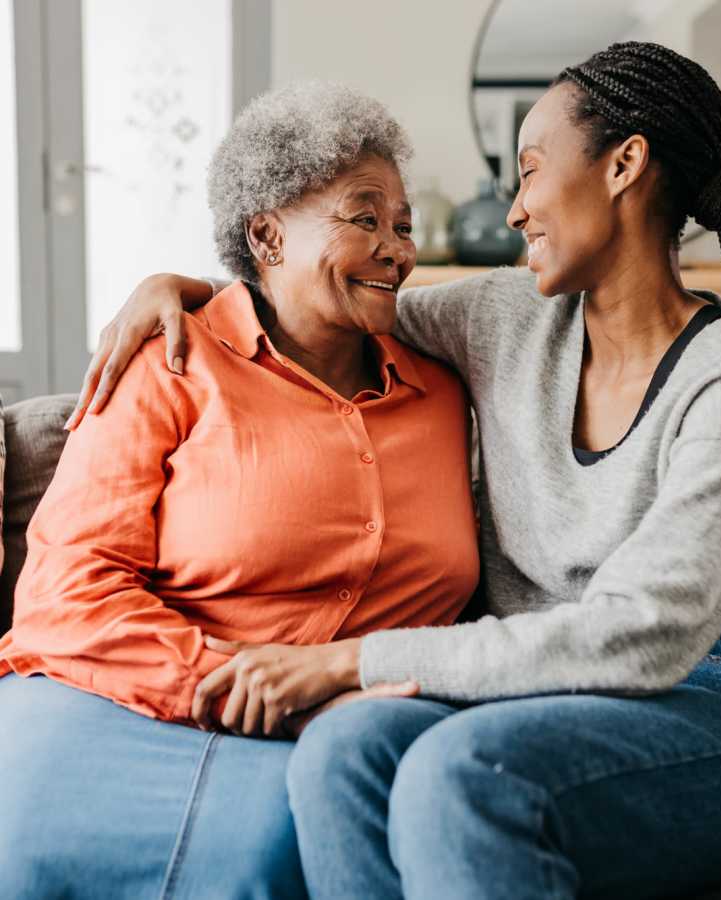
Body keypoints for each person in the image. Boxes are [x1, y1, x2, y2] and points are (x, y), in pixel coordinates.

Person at [64, 42, 721, 900]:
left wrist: (347, 663)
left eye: (532, 170)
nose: (514, 211)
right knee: (339, 754)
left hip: (714, 697)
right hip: (538, 698)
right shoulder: (505, 316)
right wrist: (181, 285)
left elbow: (647, 633)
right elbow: (321, 297)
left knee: (464, 775)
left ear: (624, 165)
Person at [0, 81, 480, 898]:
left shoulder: (448, 384)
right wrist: (253, 688)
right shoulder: (167, 363)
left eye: (402, 225)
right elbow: (67, 594)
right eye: (364, 218)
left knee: (276, 853)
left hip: (342, 729)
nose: (397, 249)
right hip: (118, 698)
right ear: (266, 233)